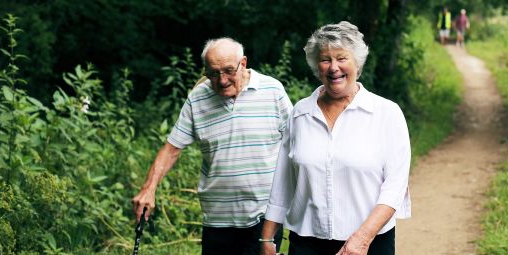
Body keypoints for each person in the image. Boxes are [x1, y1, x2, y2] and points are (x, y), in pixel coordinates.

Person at [260, 21, 411, 255]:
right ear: (316, 66)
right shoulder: (300, 114)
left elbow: (395, 187)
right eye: (325, 59)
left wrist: (362, 238)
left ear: (357, 62)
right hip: (307, 243)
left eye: (342, 58)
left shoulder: (386, 113)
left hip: (370, 242)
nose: (333, 68)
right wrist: (267, 239)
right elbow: (283, 182)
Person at [132, 37, 292, 255]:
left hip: (263, 217)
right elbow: (172, 148)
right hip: (217, 219)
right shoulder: (198, 99)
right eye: (213, 73)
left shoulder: (273, 91)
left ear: (243, 63)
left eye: (228, 71)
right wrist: (149, 189)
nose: (222, 80)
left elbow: (295, 145)